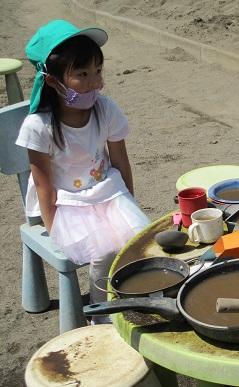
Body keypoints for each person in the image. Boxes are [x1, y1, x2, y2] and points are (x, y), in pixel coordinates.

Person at [16, 20, 150, 315]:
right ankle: (101, 312)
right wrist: (54, 229)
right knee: (103, 252)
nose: (96, 82)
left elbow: (120, 161)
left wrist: (129, 203)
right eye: (82, 74)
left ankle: (132, 299)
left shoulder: (106, 109)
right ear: (52, 80)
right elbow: (43, 185)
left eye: (98, 71)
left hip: (107, 190)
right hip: (67, 201)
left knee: (139, 238)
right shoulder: (38, 127)